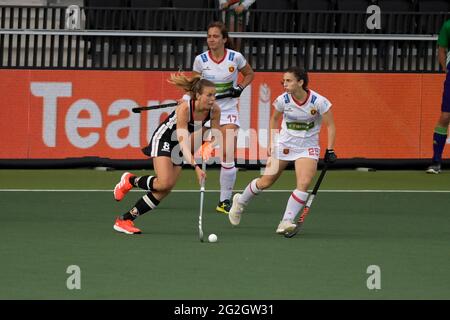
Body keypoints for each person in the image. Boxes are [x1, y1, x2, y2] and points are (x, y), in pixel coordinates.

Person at [228, 67, 337, 234]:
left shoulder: (319, 101)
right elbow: (274, 119)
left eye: (288, 81)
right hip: (284, 145)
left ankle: (286, 221)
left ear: (300, 82)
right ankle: (240, 202)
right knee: (266, 181)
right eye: (283, 81)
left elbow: (330, 125)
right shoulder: (282, 100)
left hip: (307, 148)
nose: (284, 84)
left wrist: (330, 150)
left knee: (304, 182)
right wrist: (272, 141)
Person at [112, 74, 221, 234]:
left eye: (214, 95)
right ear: (198, 95)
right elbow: (184, 142)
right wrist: (196, 167)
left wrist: (209, 145)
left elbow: (217, 134)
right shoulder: (185, 108)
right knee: (163, 182)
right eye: (209, 95)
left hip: (178, 145)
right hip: (165, 138)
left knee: (166, 188)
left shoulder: (214, 110)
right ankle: (130, 180)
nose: (213, 99)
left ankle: (126, 219)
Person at [191, 21, 254, 214]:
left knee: (228, 152)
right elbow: (194, 85)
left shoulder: (235, 57)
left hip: (228, 110)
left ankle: (224, 201)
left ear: (224, 39)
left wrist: (240, 88)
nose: (211, 39)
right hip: (206, 110)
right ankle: (208, 143)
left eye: (216, 36)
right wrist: (191, 98)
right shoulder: (200, 60)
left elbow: (249, 74)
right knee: (190, 145)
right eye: (209, 36)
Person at [426, 19, 450, 174]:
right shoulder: (448, 25)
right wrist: (445, 69)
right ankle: (436, 161)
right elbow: (441, 49)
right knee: (445, 116)